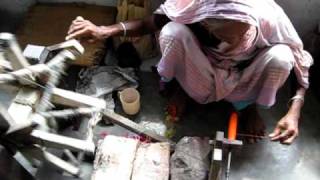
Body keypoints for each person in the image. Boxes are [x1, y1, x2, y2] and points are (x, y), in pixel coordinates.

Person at [66, 0, 313, 144]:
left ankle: (248, 107)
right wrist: (103, 31)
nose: (234, 43)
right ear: (204, 21)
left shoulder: (268, 14)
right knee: (172, 32)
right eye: (224, 35)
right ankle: (183, 90)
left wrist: (294, 111)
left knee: (282, 57)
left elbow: (300, 60)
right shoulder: (192, 9)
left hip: (245, 75)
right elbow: (148, 23)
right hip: (203, 71)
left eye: (243, 34)